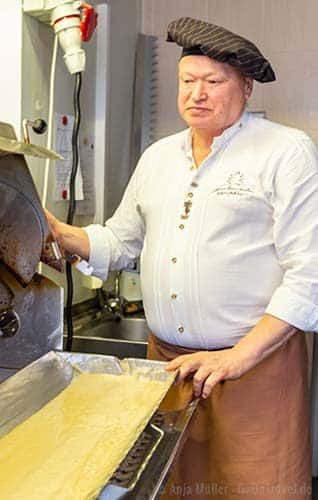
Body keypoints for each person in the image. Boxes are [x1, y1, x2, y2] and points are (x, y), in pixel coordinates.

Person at [46, 17, 318, 499]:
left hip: (254, 368)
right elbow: (120, 241)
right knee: (174, 486)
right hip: (168, 367)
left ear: (246, 86)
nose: (197, 93)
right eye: (187, 81)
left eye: (213, 82)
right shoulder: (159, 157)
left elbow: (310, 275)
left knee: (258, 489)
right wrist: (58, 231)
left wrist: (238, 357)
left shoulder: (284, 152)